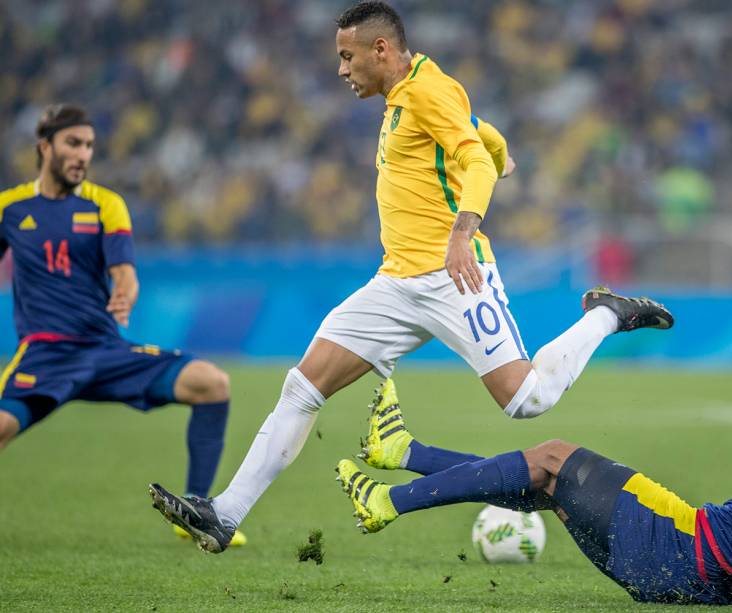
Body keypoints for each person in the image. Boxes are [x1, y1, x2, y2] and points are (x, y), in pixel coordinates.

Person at [148, 0, 672, 553]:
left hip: (455, 277)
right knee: (303, 386)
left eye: (348, 57)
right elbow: (477, 134)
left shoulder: (427, 89)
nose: (342, 69)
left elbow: (470, 158)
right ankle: (225, 514)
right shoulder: (408, 95)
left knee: (526, 401)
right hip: (396, 284)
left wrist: (463, 232)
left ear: (381, 49)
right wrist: (502, 150)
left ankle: (607, 316)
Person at [336, 373, 732, 605]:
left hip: (684, 544)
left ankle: (385, 500)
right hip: (713, 588)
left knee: (552, 457)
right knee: (545, 484)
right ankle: (404, 453)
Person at [0, 104, 244, 546]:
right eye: (73, 143)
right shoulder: (10, 208)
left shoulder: (105, 204)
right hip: (46, 354)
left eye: (89, 145)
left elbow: (125, 271)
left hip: (105, 351)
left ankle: (193, 511)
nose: (83, 154)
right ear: (45, 147)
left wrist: (126, 288)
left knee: (213, 383)